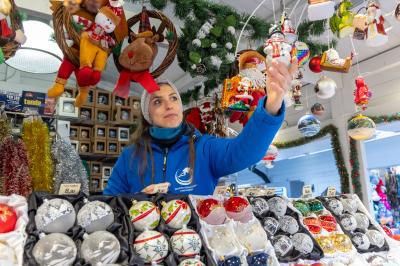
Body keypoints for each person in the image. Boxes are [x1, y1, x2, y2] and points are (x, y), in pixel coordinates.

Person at [104, 59, 298, 195]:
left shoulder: (205, 148)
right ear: (148, 115)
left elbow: (245, 152)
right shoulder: (130, 156)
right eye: (157, 102)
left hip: (197, 249)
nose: (169, 105)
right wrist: (138, 200)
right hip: (145, 248)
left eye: (173, 98)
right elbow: (111, 203)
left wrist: (271, 105)